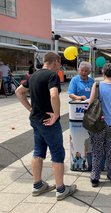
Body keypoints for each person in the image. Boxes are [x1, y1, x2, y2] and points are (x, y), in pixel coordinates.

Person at [15, 52, 77, 201]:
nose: (60, 66)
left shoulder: (33, 76)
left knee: (38, 151)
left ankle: (37, 185)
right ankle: (61, 189)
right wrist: (56, 114)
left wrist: (31, 109)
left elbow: (19, 92)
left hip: (36, 120)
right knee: (57, 153)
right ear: (55, 61)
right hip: (49, 122)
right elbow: (54, 95)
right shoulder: (52, 76)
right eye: (59, 63)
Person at [88, 63, 111, 187]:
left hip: (99, 122)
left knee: (97, 149)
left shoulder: (97, 85)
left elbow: (91, 102)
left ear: (103, 73)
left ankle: (95, 177)